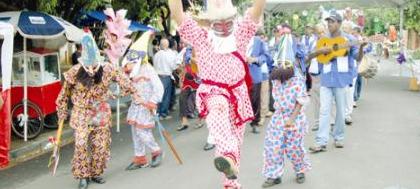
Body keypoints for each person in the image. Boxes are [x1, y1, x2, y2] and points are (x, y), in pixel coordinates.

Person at [169, 0, 266, 188]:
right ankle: (227, 154)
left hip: (238, 94)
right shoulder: (200, 36)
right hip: (214, 91)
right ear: (210, 23)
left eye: (227, 22)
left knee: (237, 140)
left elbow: (256, 10)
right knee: (219, 110)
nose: (223, 27)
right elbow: (178, 15)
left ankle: (231, 181)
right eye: (218, 23)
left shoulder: (241, 33)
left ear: (233, 20)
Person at [56, 31, 140, 189]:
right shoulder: (75, 71)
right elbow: (63, 95)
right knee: (81, 144)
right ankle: (82, 175)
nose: (91, 67)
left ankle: (95, 172)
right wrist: (62, 112)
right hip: (81, 111)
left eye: (94, 63)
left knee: (100, 145)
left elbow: (126, 83)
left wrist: (134, 93)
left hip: (100, 111)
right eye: (88, 63)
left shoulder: (108, 69)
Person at [307, 11, 367, 152]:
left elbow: (357, 58)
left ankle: (339, 137)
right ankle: (321, 141)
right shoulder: (323, 39)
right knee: (324, 111)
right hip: (326, 79)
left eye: (332, 21)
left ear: (339, 23)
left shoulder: (349, 39)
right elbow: (314, 55)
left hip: (341, 79)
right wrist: (321, 52)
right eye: (328, 21)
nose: (329, 24)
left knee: (340, 111)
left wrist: (362, 48)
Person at [262, 60, 311, 188]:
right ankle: (274, 175)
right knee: (273, 147)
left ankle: (300, 170)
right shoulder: (276, 79)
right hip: (279, 116)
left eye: (281, 77)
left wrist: (291, 119)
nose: (278, 80)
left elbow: (300, 102)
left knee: (294, 148)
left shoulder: (298, 80)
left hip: (295, 117)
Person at [122, 31, 164, 171]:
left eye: (132, 61)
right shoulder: (130, 72)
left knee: (141, 131)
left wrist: (153, 102)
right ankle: (140, 158)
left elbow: (158, 87)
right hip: (136, 105)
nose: (129, 63)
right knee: (135, 131)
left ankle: (156, 151)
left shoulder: (148, 69)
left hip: (147, 106)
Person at [247, 30, 269, 134]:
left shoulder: (258, 41)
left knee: (255, 100)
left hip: (254, 74)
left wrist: (255, 59)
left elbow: (265, 56)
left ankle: (255, 123)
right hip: (238, 75)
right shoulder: (237, 39)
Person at [153, 38, 179, 119]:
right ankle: (163, 114)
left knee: (158, 95)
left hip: (157, 76)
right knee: (165, 96)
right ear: (167, 45)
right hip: (166, 76)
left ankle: (157, 113)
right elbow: (173, 66)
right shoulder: (168, 54)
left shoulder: (156, 54)